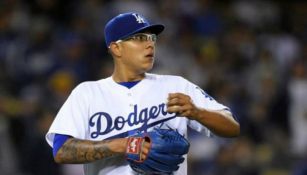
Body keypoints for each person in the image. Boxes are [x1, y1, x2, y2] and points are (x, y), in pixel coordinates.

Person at [45, 12, 240, 175]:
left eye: (151, 38)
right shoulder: (87, 93)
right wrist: (123, 145)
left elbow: (232, 127)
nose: (150, 45)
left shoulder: (176, 85)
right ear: (116, 48)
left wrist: (197, 113)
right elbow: (61, 151)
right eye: (139, 38)